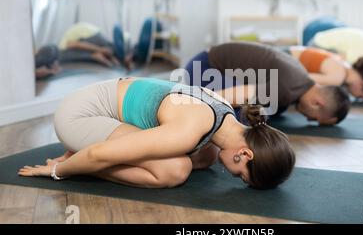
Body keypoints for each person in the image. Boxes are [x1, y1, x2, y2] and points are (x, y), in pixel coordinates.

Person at [18, 77, 296, 190]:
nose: (236, 178)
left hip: (107, 97)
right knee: (175, 169)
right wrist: (58, 171)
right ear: (244, 153)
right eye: (242, 176)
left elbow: (250, 90)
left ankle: (80, 159)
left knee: (208, 154)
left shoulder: (224, 112)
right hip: (80, 115)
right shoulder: (189, 130)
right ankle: (78, 165)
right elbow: (99, 153)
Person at [184, 42, 351, 126]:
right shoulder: (286, 89)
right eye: (313, 118)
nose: (307, 119)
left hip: (214, 63)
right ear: (317, 103)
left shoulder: (301, 77)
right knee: (240, 121)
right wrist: (190, 104)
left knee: (269, 110)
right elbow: (229, 96)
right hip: (205, 67)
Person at [290, 47, 363, 102]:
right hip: (279, 62)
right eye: (361, 97)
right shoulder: (338, 77)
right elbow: (297, 80)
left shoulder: (345, 65)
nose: (356, 97)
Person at [34, 23, 121, 79]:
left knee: (64, 54)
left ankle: (93, 56)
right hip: (96, 36)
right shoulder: (104, 39)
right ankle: (97, 55)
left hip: (90, 39)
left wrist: (99, 50)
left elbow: (74, 44)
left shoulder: (61, 46)